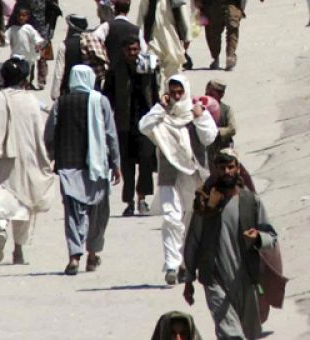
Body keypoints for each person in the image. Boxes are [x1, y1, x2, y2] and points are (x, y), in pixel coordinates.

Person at [181, 152, 281, 339]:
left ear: (237, 168)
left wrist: (258, 237)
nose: (226, 172)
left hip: (245, 279)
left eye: (230, 167)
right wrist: (188, 279)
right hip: (214, 279)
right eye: (221, 168)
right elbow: (193, 241)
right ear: (216, 171)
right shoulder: (205, 205)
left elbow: (271, 236)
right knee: (231, 334)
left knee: (249, 333)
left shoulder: (250, 202)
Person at [140, 75, 219, 285]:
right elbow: (144, 126)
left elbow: (209, 137)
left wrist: (200, 117)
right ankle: (171, 265)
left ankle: (185, 263)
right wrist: (160, 108)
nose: (176, 96)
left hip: (193, 175)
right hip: (169, 174)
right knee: (171, 218)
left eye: (179, 92)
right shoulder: (162, 116)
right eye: (172, 92)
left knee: (190, 219)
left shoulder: (196, 112)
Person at [47, 64, 123, 276]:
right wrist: (116, 164)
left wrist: (54, 156)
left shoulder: (60, 103)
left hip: (68, 165)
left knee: (73, 212)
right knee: (98, 212)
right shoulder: (100, 101)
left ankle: (74, 256)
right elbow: (110, 134)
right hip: (97, 166)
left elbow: (49, 135)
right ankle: (92, 254)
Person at [0, 59, 55, 267]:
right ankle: (19, 250)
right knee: (23, 204)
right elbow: (38, 134)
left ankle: (1, 228)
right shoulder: (31, 101)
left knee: (0, 200)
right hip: (25, 160)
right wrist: (44, 158)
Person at [103, 35, 158, 217]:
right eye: (129, 50)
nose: (132, 53)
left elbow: (155, 93)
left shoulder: (148, 67)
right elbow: (107, 97)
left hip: (145, 123)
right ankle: (129, 201)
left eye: (135, 50)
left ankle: (142, 199)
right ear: (123, 51)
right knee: (127, 165)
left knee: (145, 161)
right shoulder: (115, 71)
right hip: (124, 124)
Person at [139, 0, 192, 84]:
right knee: (152, 71)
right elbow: (141, 17)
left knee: (173, 73)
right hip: (154, 40)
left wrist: (187, 37)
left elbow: (184, 16)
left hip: (171, 39)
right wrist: (140, 39)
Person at [4, 6, 44, 87]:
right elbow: (6, 41)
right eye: (19, 15)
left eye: (23, 15)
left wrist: (38, 45)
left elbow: (36, 38)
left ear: (27, 17)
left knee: (26, 76)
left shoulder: (29, 28)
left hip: (27, 58)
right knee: (16, 75)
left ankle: (26, 86)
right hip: (15, 57)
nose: (21, 17)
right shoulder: (12, 29)